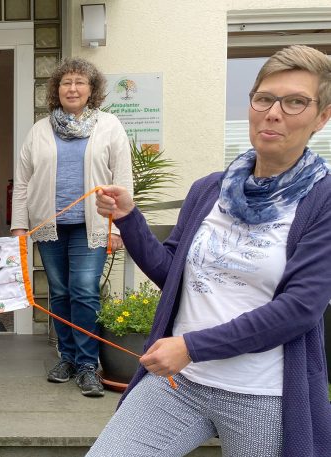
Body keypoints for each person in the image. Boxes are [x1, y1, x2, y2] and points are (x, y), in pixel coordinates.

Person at [89, 45, 331, 457]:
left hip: (261, 394)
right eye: (264, 98)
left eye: (295, 102)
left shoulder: (322, 201)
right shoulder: (209, 189)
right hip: (178, 383)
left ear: (321, 117)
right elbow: (172, 273)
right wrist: (130, 218)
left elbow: (300, 309)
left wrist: (192, 346)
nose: (274, 112)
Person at [10, 57, 132, 397]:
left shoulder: (109, 126)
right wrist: (19, 226)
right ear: (57, 90)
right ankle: (67, 357)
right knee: (60, 292)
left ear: (91, 89)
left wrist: (119, 227)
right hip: (49, 226)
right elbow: (22, 183)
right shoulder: (39, 130)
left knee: (84, 290)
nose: (73, 88)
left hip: (91, 225)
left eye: (80, 82)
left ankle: (88, 364)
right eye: (66, 83)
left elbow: (122, 179)